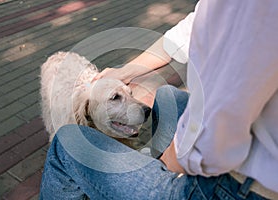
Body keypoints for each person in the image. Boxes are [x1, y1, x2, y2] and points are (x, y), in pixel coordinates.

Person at [40, 0, 278, 199]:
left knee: (67, 143)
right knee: (168, 96)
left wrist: (169, 162)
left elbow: (215, 134)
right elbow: (189, 30)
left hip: (237, 187)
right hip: (247, 156)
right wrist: (127, 71)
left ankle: (156, 177)